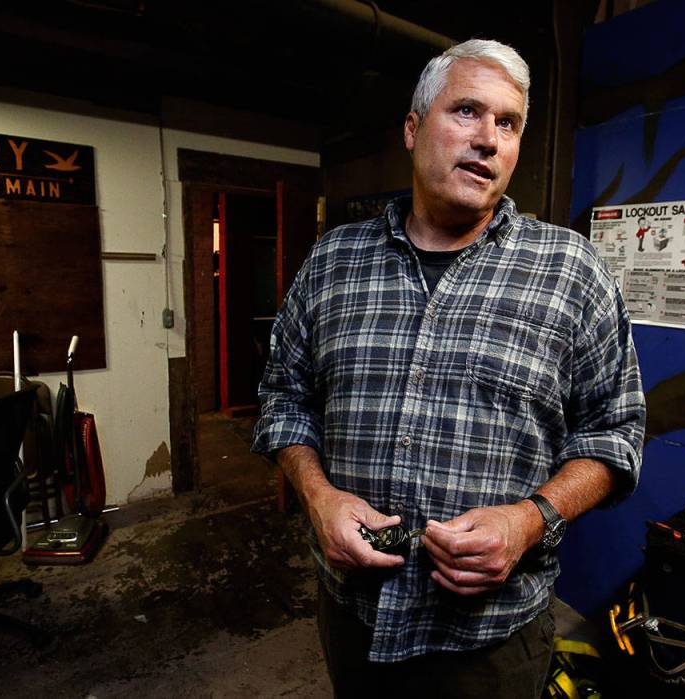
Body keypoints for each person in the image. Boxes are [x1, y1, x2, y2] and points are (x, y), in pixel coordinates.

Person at [252, 38, 645, 698]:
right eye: (467, 111)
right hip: (355, 620)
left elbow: (616, 435)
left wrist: (529, 519)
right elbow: (284, 396)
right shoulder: (332, 263)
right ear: (413, 129)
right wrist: (317, 497)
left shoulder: (573, 272)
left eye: (509, 123)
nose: (489, 139)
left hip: (491, 641)